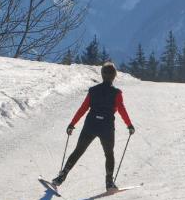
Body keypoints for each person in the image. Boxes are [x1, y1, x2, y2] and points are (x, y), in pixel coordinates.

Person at [52, 62, 135, 192]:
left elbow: (83, 108)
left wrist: (72, 124)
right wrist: (129, 125)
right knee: (109, 154)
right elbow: (121, 109)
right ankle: (109, 182)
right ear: (114, 76)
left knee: (78, 151)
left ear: (102, 75)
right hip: (106, 127)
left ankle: (61, 177)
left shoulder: (93, 90)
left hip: (90, 125)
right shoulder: (116, 93)